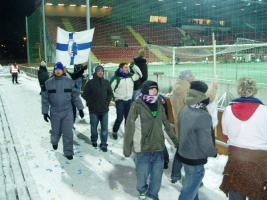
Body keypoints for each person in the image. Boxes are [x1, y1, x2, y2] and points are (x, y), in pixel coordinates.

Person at [123, 80, 178, 200]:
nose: (154, 91)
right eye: (151, 89)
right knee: (142, 174)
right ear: (144, 91)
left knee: (157, 176)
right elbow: (129, 128)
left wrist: (175, 142)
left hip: (158, 147)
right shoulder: (137, 106)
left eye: (155, 89)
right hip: (142, 148)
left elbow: (166, 125)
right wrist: (127, 148)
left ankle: (153, 194)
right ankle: (142, 190)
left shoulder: (159, 104)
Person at [220, 77, 267, 200]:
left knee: (236, 190)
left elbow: (225, 135)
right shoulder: (264, 111)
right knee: (257, 193)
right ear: (254, 90)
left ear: (239, 90)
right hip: (259, 160)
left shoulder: (228, 110)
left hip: (236, 158)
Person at [170, 69, 217, 183]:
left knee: (181, 148)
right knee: (187, 150)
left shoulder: (177, 86)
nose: (194, 77)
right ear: (187, 77)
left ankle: (176, 175)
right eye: (192, 75)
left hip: (182, 121)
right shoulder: (186, 89)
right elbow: (206, 98)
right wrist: (213, 88)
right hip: (189, 122)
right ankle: (192, 180)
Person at [177, 80, 217, 200]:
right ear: (200, 95)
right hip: (195, 157)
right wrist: (212, 152)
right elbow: (205, 141)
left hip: (185, 153)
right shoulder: (202, 115)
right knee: (189, 190)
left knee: (191, 185)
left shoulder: (185, 108)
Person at [41, 62, 84, 160]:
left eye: (59, 69)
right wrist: (44, 112)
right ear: (54, 70)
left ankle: (68, 152)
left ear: (62, 70)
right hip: (55, 112)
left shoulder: (69, 82)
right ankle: (54, 142)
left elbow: (75, 97)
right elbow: (45, 99)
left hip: (67, 111)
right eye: (56, 69)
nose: (58, 71)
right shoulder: (48, 83)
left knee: (68, 132)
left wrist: (80, 108)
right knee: (55, 131)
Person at [82, 65, 112, 152]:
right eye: (98, 71)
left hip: (104, 110)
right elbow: (84, 94)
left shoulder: (106, 82)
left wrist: (107, 102)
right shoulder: (90, 83)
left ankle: (103, 143)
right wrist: (90, 102)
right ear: (96, 72)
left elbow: (110, 93)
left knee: (104, 128)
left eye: (102, 71)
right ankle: (94, 139)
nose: (100, 72)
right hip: (93, 110)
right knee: (94, 128)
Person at [110, 62, 142, 140]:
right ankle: (115, 131)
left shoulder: (131, 77)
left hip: (128, 101)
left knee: (128, 119)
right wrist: (115, 97)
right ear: (121, 69)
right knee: (120, 118)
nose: (127, 69)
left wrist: (134, 66)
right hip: (120, 101)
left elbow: (140, 75)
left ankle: (127, 133)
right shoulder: (116, 78)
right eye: (125, 67)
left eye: (127, 67)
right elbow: (110, 89)